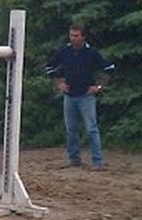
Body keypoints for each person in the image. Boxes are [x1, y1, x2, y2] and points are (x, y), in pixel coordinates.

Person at [45, 23, 115, 171]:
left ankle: (97, 161)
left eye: (76, 36)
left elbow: (109, 68)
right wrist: (59, 83)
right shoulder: (65, 51)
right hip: (69, 96)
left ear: (83, 37)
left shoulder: (91, 53)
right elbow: (49, 67)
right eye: (71, 35)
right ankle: (74, 158)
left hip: (86, 96)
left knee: (91, 128)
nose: (73, 38)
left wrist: (99, 87)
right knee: (71, 128)